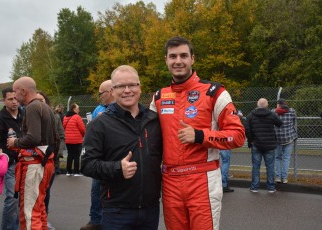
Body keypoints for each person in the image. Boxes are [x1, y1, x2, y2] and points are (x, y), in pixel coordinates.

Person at [150, 36, 245, 230]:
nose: (178, 61)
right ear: (166, 60)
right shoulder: (159, 97)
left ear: (192, 59)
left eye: (184, 55)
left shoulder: (215, 92)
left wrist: (201, 136)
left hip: (203, 181)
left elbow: (237, 136)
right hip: (170, 182)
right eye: (173, 56)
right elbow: (147, 139)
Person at [81, 65, 163, 230]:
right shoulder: (100, 124)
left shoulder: (154, 121)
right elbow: (86, 165)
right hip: (116, 212)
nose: (127, 90)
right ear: (112, 90)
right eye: (121, 86)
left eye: (132, 85)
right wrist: (118, 168)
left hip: (150, 209)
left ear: (139, 87)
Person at [7, 76, 57, 230]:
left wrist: (14, 142)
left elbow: (33, 137)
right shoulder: (46, 107)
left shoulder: (33, 107)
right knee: (39, 207)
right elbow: (56, 138)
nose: (14, 96)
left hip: (34, 165)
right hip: (45, 163)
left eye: (15, 91)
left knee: (29, 212)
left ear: (23, 90)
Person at [81, 80, 114, 230]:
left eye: (102, 93)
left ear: (111, 91)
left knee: (113, 192)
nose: (100, 96)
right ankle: (95, 220)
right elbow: (91, 131)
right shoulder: (98, 109)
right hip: (99, 158)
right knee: (96, 191)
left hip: (114, 157)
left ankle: (109, 221)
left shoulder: (123, 108)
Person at [0, 87, 23, 230]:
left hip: (27, 161)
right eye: (10, 99)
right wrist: (9, 158)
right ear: (4, 100)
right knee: (12, 198)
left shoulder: (25, 114)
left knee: (23, 199)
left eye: (16, 98)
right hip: (11, 165)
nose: (14, 102)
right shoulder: (0, 118)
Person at [37, 91, 64, 230]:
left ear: (46, 102)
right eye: (36, 100)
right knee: (33, 192)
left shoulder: (55, 117)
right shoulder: (30, 117)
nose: (39, 103)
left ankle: (44, 219)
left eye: (41, 100)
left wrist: (57, 154)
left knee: (46, 191)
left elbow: (61, 135)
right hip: (34, 161)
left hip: (51, 161)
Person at [245, 98, 282, 193]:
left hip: (256, 144)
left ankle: (254, 187)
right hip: (269, 144)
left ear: (257, 105)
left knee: (256, 166)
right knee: (270, 166)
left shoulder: (251, 115)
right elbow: (279, 123)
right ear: (267, 105)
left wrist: (251, 140)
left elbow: (247, 129)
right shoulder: (271, 114)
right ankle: (271, 187)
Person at [273, 98, 298, 184]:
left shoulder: (273, 112)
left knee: (278, 158)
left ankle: (278, 177)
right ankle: (285, 178)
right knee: (286, 158)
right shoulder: (292, 111)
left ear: (278, 105)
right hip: (288, 138)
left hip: (277, 138)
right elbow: (294, 118)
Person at [63, 103, 85, 176]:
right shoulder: (77, 117)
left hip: (68, 139)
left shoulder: (66, 117)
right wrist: (83, 135)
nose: (79, 110)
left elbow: (63, 127)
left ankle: (68, 171)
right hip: (77, 140)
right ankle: (76, 172)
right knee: (76, 156)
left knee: (70, 155)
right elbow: (82, 129)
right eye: (78, 108)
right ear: (74, 109)